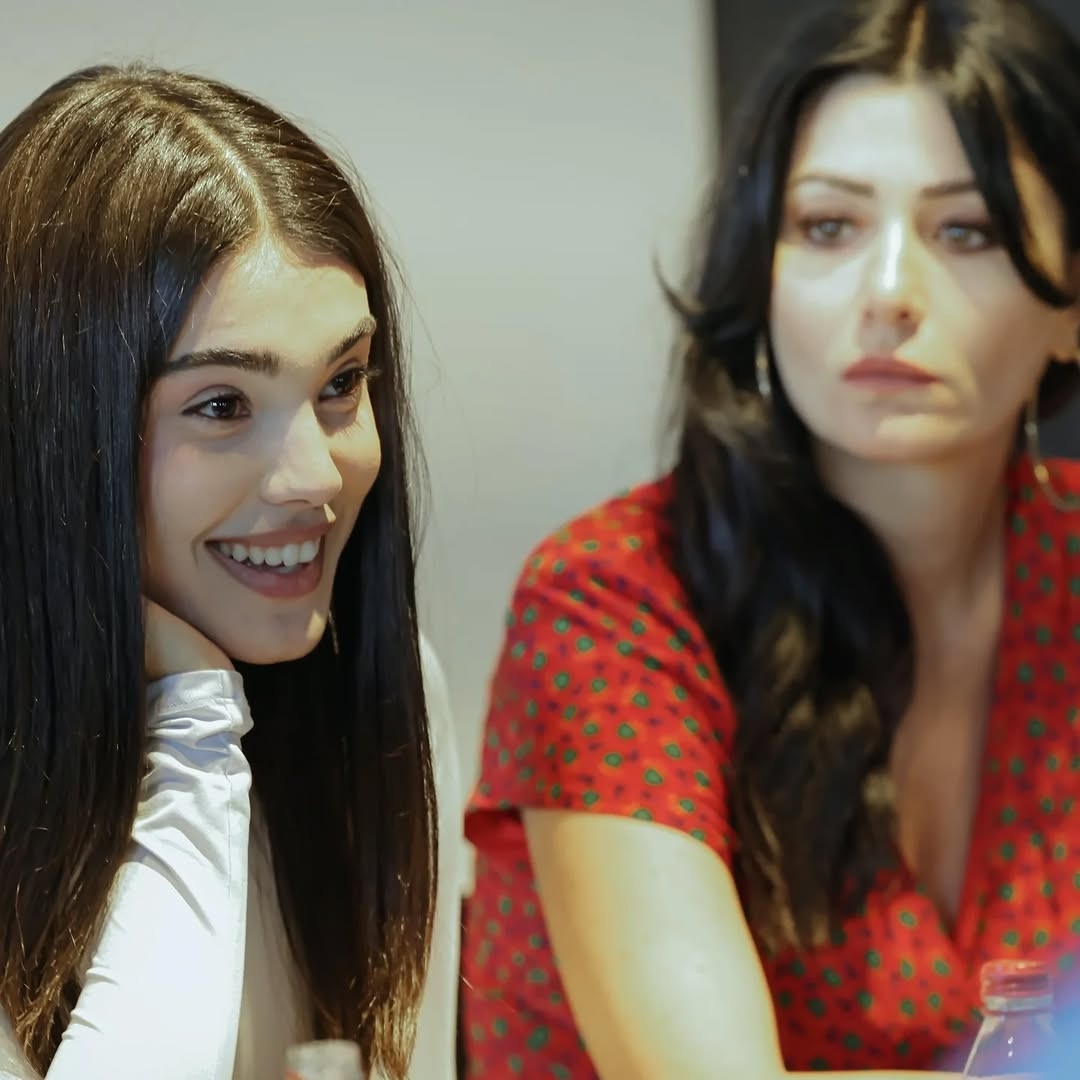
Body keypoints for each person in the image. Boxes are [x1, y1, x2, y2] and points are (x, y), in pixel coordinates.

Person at [461, 0, 1080, 1075]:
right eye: (829, 227)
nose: (889, 294)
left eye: (966, 230)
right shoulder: (612, 600)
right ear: (759, 271)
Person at [0, 65, 464, 1079]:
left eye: (342, 384)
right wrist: (193, 737)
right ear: (49, 434)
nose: (316, 478)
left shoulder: (382, 693)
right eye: (220, 406)